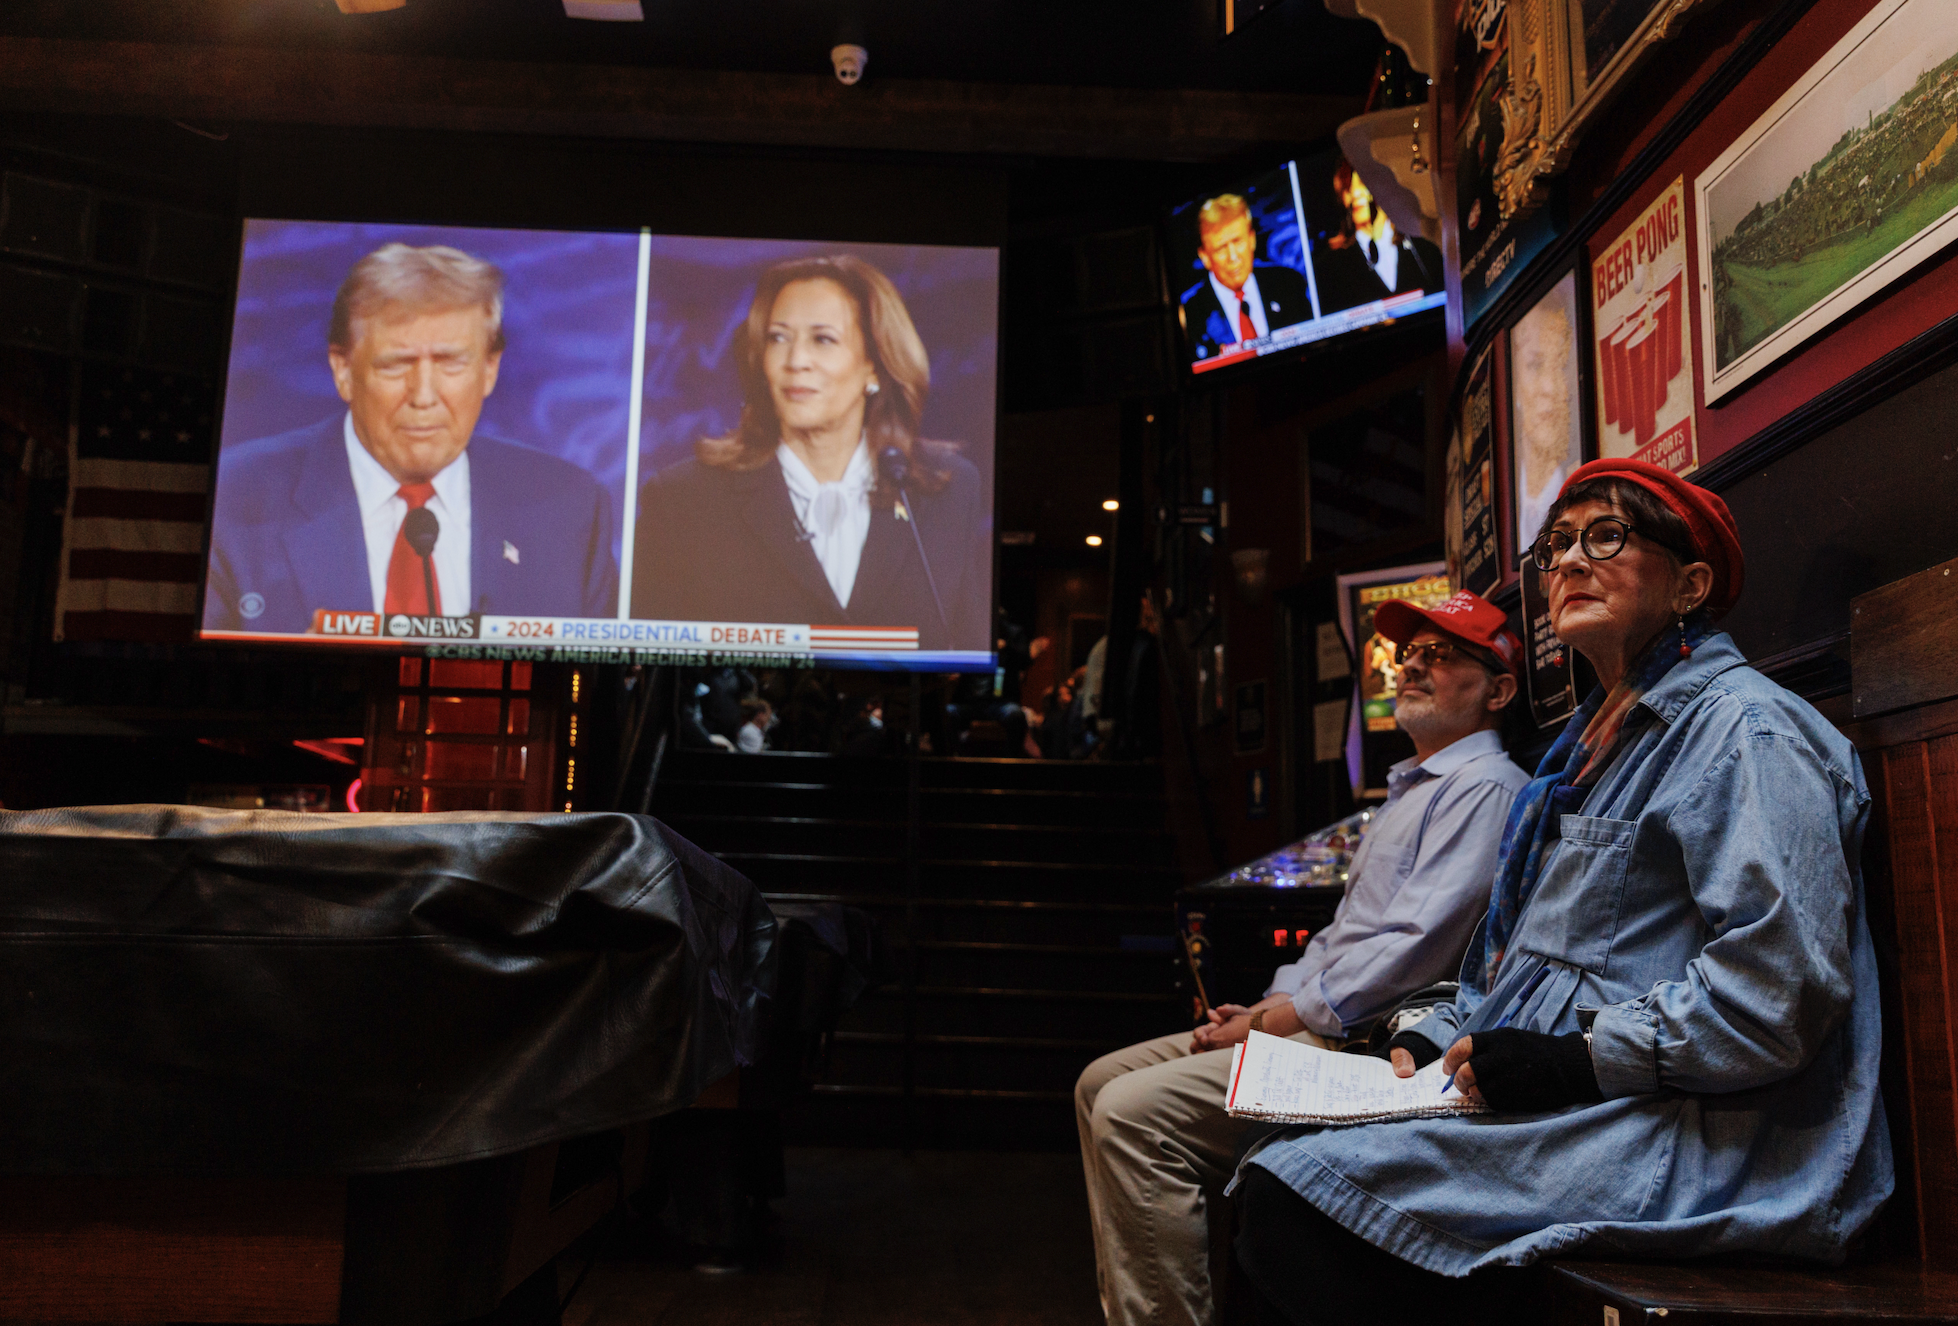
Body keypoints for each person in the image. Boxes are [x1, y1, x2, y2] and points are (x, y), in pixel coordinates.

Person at [1235, 460, 1893, 1326]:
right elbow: (1519, 968)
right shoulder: (1586, 751)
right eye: (1558, 545)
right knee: (1278, 1159)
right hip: (1568, 1100)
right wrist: (1429, 1036)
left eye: (1607, 537)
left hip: (1706, 1135)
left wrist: (1571, 1060)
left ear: (1690, 584)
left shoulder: (1745, 731)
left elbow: (1776, 997)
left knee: (1294, 1205)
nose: (1571, 562)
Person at [1075, 591, 1530, 1326]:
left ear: (1500, 690)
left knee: (1133, 1116)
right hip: (1317, 1024)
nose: (1412, 667)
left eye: (1441, 656)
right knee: (1098, 1082)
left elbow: (1414, 952)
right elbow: (1339, 937)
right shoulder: (1411, 786)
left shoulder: (1485, 788)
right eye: (1408, 654)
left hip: (1375, 1048)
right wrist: (1262, 1011)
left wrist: (1272, 1022)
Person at [203, 243, 619, 633]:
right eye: (395, 365)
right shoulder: (235, 500)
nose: (423, 396)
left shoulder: (571, 508)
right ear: (343, 370)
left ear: (490, 370)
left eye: (450, 363)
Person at [632, 255, 989, 651]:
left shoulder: (945, 491)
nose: (795, 361)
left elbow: (965, 652)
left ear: (874, 364)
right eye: (778, 338)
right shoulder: (684, 500)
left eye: (823, 339)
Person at [1178, 194, 1313, 363]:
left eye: (1238, 241)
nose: (1233, 257)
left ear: (1252, 239)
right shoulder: (1191, 315)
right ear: (1204, 256)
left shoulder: (1288, 282)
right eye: (1221, 249)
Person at [1313, 160, 1444, 314]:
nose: (1356, 193)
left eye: (1362, 183)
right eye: (1348, 187)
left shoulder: (1425, 246)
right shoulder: (1329, 268)